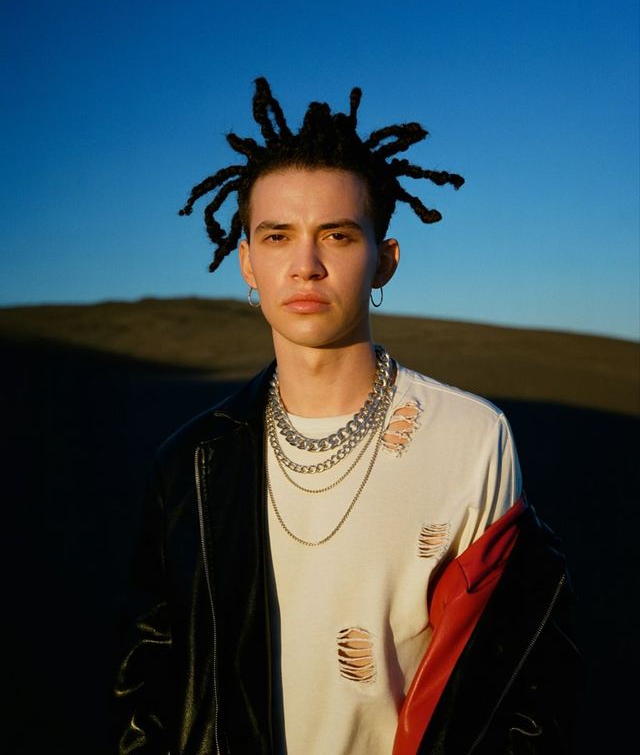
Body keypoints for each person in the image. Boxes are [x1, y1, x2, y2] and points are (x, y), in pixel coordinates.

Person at [114, 78, 582, 754]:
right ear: (246, 261)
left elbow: (526, 679)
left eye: (336, 235)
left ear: (384, 260)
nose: (305, 266)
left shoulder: (472, 439)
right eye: (277, 237)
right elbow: (147, 681)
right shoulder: (192, 463)